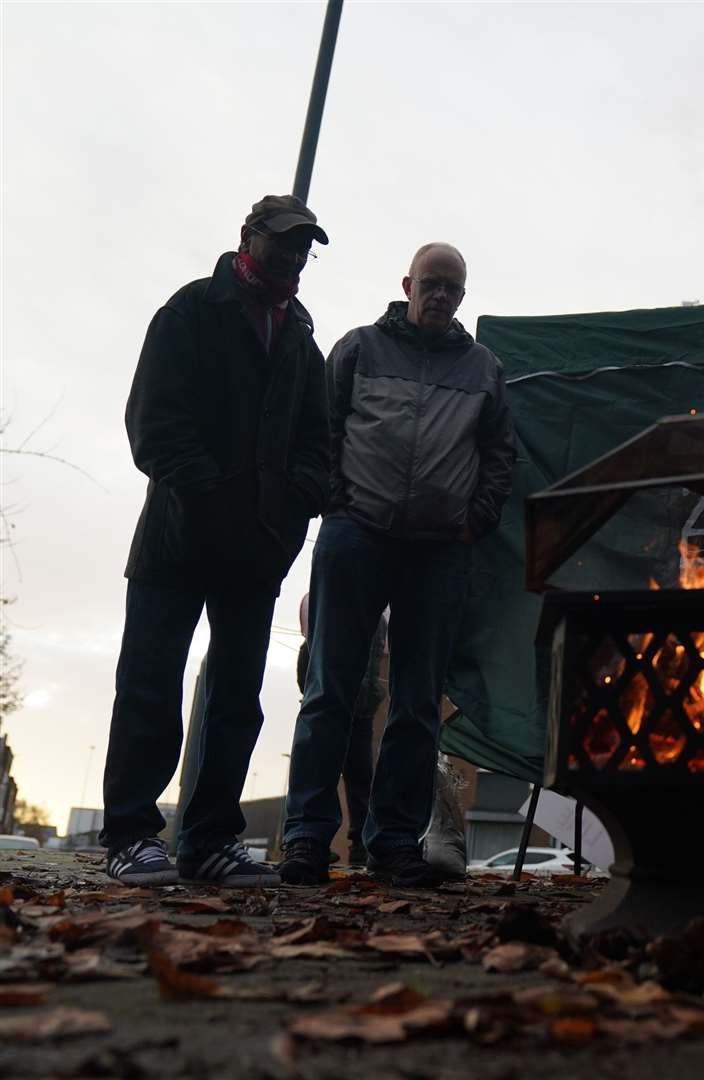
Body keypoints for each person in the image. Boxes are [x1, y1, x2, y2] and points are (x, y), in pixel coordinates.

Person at [102, 195, 330, 886]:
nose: (292, 256)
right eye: (282, 242)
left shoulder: (300, 338)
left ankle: (208, 840)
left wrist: (289, 511)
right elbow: (153, 423)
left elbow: (317, 445)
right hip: (176, 541)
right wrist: (211, 495)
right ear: (247, 239)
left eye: (303, 247)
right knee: (150, 682)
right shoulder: (191, 310)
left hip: (256, 551)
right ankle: (131, 835)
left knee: (236, 697)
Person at [279, 243, 515, 888]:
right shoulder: (357, 349)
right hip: (357, 536)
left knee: (416, 704)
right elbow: (321, 429)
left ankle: (393, 843)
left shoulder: (483, 368)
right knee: (329, 689)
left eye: (452, 289)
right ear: (408, 284)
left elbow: (499, 455)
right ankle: (305, 838)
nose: (440, 296)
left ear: (463, 297)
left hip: (440, 551)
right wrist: (336, 505)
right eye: (432, 284)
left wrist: (476, 519)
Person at [295, 594, 387, 866]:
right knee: (358, 777)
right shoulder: (379, 619)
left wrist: (310, 694)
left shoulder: (324, 605)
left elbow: (308, 654)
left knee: (326, 769)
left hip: (343, 705)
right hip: (357, 707)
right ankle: (355, 840)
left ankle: (314, 837)